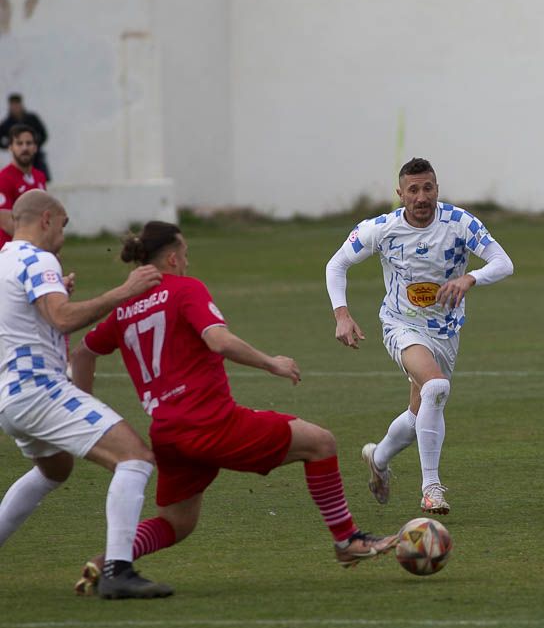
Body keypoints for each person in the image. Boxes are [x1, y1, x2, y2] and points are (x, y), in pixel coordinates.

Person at [70, 221, 400, 594]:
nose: (188, 265)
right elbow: (219, 341)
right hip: (211, 423)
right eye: (187, 256)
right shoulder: (184, 289)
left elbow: (83, 353)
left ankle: (110, 561)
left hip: (167, 432)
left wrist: (85, 413)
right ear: (174, 257)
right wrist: (271, 363)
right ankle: (347, 541)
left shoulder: (123, 308)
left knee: (178, 522)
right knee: (320, 442)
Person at [0, 191, 172, 599]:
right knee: (135, 458)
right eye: (63, 225)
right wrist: (124, 290)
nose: (63, 235)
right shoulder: (38, 259)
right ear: (46, 219)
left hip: (10, 395)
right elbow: (61, 317)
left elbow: (32, 317)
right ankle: (117, 570)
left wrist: (58, 293)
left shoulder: (6, 258)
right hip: (40, 389)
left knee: (54, 470)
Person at [325, 157, 514, 515]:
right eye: (413, 190)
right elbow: (337, 264)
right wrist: (342, 315)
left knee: (419, 414)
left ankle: (377, 459)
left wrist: (469, 278)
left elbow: (503, 262)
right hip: (400, 325)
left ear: (437, 189)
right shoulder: (381, 229)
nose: (421, 196)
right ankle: (431, 488)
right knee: (437, 388)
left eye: (428, 188)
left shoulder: (459, 223)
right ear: (400, 194)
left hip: (445, 330)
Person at [0, 124, 48, 249]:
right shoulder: (3, 178)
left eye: (28, 143)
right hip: (10, 251)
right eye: (19, 143)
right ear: (10, 147)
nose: (24, 148)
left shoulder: (40, 177)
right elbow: (5, 221)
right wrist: (37, 244)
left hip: (35, 249)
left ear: (35, 147)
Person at [0, 95, 50, 182]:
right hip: (19, 159)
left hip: (36, 158)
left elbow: (43, 134)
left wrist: (35, 144)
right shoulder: (7, 123)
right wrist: (8, 146)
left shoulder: (32, 118)